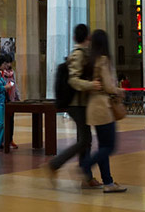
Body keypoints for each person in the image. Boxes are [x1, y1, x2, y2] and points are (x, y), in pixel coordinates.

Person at [48, 24, 102, 188]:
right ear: (88, 38)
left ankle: (87, 177)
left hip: (81, 104)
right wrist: (91, 85)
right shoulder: (78, 54)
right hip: (76, 104)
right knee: (84, 140)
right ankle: (55, 164)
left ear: (74, 37)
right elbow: (73, 80)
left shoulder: (83, 53)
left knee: (85, 140)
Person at [80, 29, 127, 194]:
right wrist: (119, 90)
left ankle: (108, 182)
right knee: (109, 146)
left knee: (103, 146)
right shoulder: (103, 60)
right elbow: (108, 86)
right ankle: (85, 166)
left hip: (93, 107)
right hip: (103, 108)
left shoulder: (90, 61)